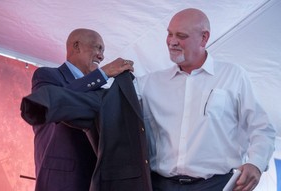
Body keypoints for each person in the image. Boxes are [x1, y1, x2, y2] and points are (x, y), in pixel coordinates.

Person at [135, 8, 276, 191]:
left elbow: (262, 128)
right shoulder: (149, 83)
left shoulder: (233, 76)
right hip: (161, 185)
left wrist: (256, 163)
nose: (172, 42)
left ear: (204, 38)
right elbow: (107, 106)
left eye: (181, 35)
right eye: (169, 34)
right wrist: (101, 75)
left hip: (217, 185)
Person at [29, 28, 134, 191]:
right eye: (98, 47)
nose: (102, 55)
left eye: (103, 50)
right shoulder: (47, 76)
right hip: (60, 181)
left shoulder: (100, 90)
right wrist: (103, 73)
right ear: (76, 46)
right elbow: (57, 101)